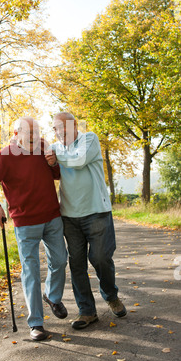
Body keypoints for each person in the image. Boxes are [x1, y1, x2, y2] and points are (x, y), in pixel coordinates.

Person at [0, 116, 68, 341]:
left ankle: (52, 296)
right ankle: (36, 324)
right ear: (16, 134)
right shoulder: (6, 155)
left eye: (37, 132)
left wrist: (53, 163)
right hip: (25, 223)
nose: (36, 137)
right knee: (31, 273)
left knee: (60, 260)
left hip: (52, 217)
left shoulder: (44, 147)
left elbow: (57, 175)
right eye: (30, 133)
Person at [45, 112, 126, 330]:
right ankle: (87, 311)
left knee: (100, 257)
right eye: (54, 128)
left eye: (60, 127)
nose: (57, 132)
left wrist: (55, 158)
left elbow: (79, 161)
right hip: (69, 216)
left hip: (96, 211)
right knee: (77, 264)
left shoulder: (89, 139)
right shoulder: (53, 148)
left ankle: (111, 296)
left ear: (73, 126)